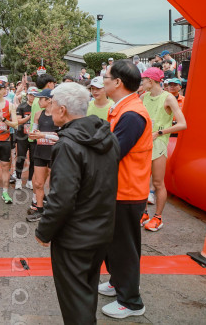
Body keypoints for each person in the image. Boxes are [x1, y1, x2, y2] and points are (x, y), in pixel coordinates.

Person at [35, 82, 120, 325]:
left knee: (75, 299)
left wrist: (44, 231)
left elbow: (62, 198)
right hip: (102, 229)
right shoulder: (108, 135)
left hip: (75, 236)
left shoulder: (67, 145)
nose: (49, 108)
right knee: (86, 291)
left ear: (62, 110)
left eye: (52, 104)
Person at [99, 59, 153, 319]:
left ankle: (131, 302)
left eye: (106, 78)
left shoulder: (131, 114)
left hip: (127, 191)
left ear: (118, 82)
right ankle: (117, 282)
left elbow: (113, 152)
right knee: (113, 243)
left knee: (124, 247)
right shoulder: (122, 108)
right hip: (118, 189)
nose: (103, 82)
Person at [139, 68, 187, 231]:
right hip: (142, 145)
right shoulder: (143, 97)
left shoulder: (168, 98)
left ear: (151, 81)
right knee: (142, 181)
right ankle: (144, 213)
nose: (142, 83)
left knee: (158, 183)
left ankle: (158, 217)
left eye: (143, 80)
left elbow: (183, 124)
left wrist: (159, 132)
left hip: (158, 145)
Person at [27, 88, 60, 222]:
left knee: (53, 185)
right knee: (38, 183)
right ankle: (39, 209)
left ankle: (53, 210)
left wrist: (43, 135)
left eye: (41, 99)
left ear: (49, 100)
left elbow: (61, 137)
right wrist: (33, 134)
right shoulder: (38, 114)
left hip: (54, 153)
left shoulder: (59, 115)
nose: (38, 101)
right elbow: (34, 133)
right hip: (40, 152)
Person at [15, 86, 36, 190]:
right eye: (31, 95)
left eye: (34, 95)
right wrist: (29, 117)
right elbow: (18, 121)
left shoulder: (39, 106)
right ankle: (18, 179)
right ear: (27, 95)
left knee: (33, 159)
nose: (32, 97)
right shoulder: (22, 106)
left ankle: (30, 180)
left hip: (34, 137)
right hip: (22, 137)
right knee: (21, 157)